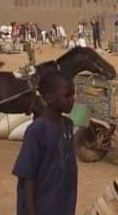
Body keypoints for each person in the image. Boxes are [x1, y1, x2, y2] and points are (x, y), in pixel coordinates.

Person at [12, 71, 77, 215]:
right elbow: (27, 176)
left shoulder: (68, 125)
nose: (72, 100)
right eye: (67, 95)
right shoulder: (37, 130)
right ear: (48, 98)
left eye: (73, 95)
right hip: (41, 207)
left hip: (63, 205)